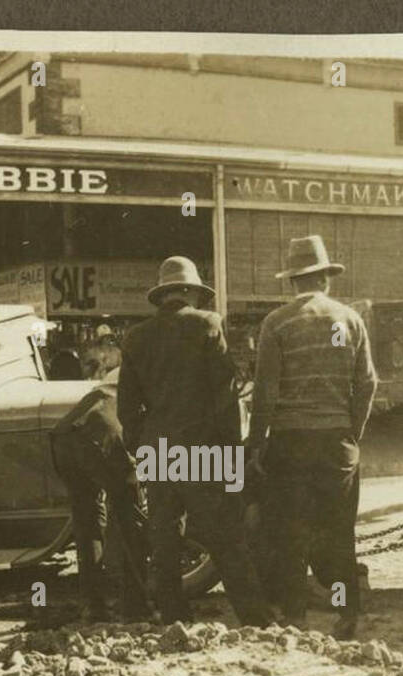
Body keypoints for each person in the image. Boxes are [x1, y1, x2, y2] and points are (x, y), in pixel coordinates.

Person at [119, 256, 272, 627]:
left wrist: (144, 447)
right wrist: (232, 452)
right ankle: (254, 619)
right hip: (203, 450)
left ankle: (174, 615)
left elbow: (127, 406)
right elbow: (225, 396)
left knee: (164, 539)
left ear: (163, 295)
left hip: (158, 450)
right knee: (224, 537)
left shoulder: (136, 338)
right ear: (189, 292)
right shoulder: (207, 324)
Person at [250, 235, 377, 640]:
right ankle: (345, 613)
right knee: (340, 531)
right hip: (337, 441)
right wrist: (351, 430)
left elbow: (265, 392)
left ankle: (295, 616)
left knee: (290, 532)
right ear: (326, 278)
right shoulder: (350, 320)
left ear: (292, 281)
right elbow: (369, 383)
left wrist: (256, 445)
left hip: (290, 442)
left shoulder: (277, 323)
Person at [50, 369, 151, 622]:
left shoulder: (120, 369)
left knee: (87, 521)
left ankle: (94, 606)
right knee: (132, 518)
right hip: (100, 430)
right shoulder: (156, 365)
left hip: (64, 433)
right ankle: (135, 607)